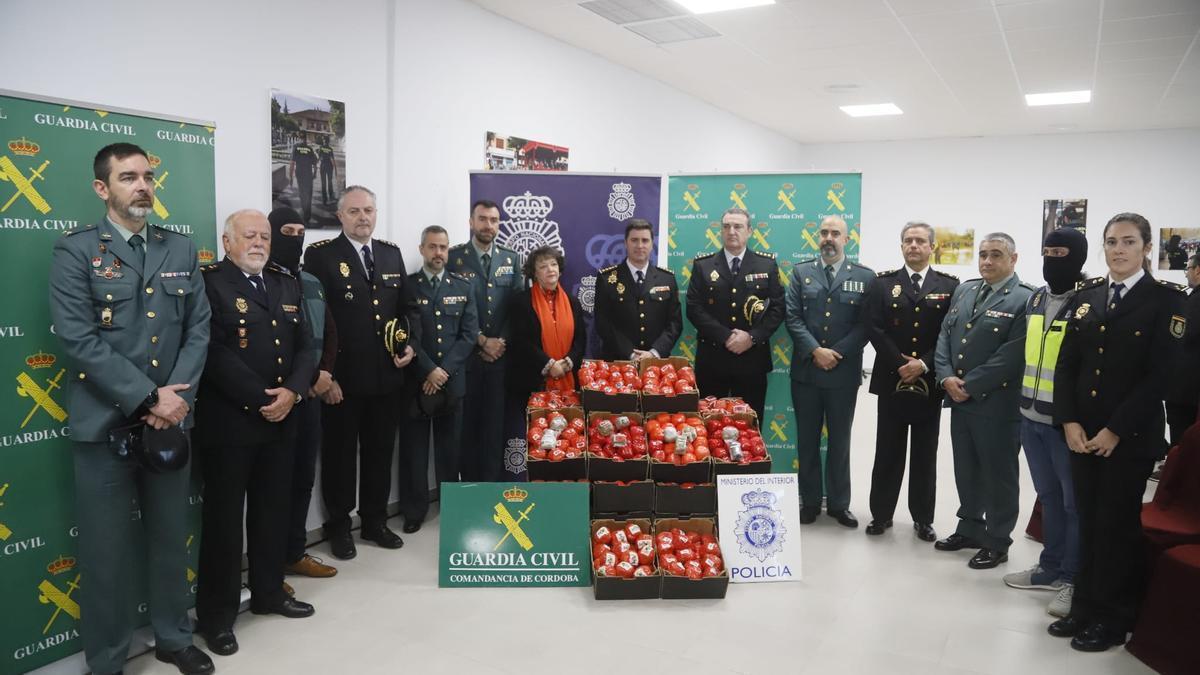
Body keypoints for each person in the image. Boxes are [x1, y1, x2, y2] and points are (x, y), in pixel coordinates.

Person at [49, 143, 214, 675]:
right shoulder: (75, 252)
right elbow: (77, 339)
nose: (141, 186)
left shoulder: (181, 249)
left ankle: (173, 637)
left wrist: (176, 400)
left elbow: (198, 329)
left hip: (168, 423)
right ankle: (107, 659)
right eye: (127, 178)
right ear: (103, 189)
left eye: (146, 176)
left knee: (170, 539)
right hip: (104, 427)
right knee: (105, 554)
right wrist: (149, 397)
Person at [1048, 213, 1187, 652]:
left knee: (1117, 526)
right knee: (1088, 521)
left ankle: (1113, 616)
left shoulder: (1167, 300)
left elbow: (1161, 377)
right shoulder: (1088, 297)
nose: (1118, 250)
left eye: (1129, 242)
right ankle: (1084, 607)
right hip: (1081, 434)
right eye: (1111, 242)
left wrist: (1114, 430)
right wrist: (1068, 420)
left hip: (1128, 439)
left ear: (1147, 248)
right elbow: (1066, 364)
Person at [194, 210, 317, 657]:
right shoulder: (210, 283)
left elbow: (306, 346)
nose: (260, 243)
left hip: (282, 420)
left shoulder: (285, 282)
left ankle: (268, 593)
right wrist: (265, 398)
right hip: (232, 424)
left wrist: (294, 393)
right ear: (227, 242)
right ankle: (217, 617)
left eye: (264, 236)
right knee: (225, 525)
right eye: (250, 236)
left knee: (271, 514)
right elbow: (212, 351)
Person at [302, 186, 418, 559]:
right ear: (340, 216)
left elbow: (407, 308)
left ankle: (374, 521)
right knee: (339, 458)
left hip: (386, 377)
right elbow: (315, 321)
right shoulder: (320, 256)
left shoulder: (390, 253)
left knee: (379, 453)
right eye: (354, 211)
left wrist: (408, 344)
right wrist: (325, 375)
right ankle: (340, 527)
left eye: (368, 210)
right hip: (342, 382)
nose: (363, 217)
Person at [933, 233, 1034, 570]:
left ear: (1013, 259)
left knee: (998, 474)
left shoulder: (1025, 299)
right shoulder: (965, 289)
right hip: (960, 400)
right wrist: (946, 376)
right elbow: (945, 336)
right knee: (967, 469)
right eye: (983, 254)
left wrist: (969, 385)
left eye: (996, 255)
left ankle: (997, 539)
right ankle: (970, 528)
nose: (988, 261)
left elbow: (1013, 355)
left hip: (996, 404)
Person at [1003, 227, 1088, 619]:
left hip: (1064, 422)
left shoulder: (1089, 301)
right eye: (1048, 251)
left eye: (1062, 252)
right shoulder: (1037, 297)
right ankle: (1049, 567)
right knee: (1048, 498)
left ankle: (1072, 577)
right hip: (1030, 415)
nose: (1054, 259)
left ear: (1079, 257)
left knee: (1073, 505)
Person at [862, 221, 959, 541]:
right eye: (908, 241)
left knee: (924, 453)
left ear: (932, 247)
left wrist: (924, 363)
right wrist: (899, 363)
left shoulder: (949, 285)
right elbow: (874, 328)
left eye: (920, 241)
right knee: (887, 451)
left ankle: (923, 518)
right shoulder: (882, 283)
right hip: (892, 380)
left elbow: (949, 332)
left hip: (928, 383)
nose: (914, 246)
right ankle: (881, 515)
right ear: (901, 246)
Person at [785, 215, 874, 527]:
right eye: (824, 232)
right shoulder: (801, 272)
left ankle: (838, 504)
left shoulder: (865, 276)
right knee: (807, 441)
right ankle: (809, 502)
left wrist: (836, 353)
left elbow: (866, 324)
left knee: (840, 441)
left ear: (846, 239)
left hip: (843, 373)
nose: (828, 238)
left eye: (835, 233)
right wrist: (815, 350)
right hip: (807, 373)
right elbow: (793, 317)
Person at [266, 207, 340, 582]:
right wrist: (301, 382)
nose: (294, 238)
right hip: (279, 398)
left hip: (311, 395)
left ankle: (295, 552)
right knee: (275, 484)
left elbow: (328, 331)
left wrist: (324, 373)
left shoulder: (310, 280)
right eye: (286, 231)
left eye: (300, 231)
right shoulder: (262, 280)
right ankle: (269, 565)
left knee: (302, 479)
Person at [400, 226, 478, 533]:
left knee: (450, 450)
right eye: (432, 247)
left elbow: (469, 334)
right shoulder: (408, 286)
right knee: (414, 452)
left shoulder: (463, 286)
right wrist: (428, 369)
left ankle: (452, 506)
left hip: (451, 381)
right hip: (417, 382)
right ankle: (414, 511)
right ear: (421, 249)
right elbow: (404, 334)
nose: (438, 253)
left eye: (443, 247)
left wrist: (442, 371)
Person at [447, 200, 523, 481]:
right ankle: (468, 489)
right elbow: (450, 307)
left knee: (494, 430)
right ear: (471, 222)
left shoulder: (511, 258)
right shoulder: (454, 258)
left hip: (499, 359)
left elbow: (517, 307)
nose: (488, 225)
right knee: (466, 429)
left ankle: (490, 490)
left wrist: (499, 341)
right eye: (482, 219)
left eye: (493, 220)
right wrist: (481, 340)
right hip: (466, 358)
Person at [684, 208, 784, 419]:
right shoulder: (703, 265)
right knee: (708, 428)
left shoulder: (766, 264)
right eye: (726, 226)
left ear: (749, 231)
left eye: (738, 226)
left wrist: (752, 337)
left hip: (752, 361)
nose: (731, 231)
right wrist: (726, 336)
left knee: (750, 430)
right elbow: (693, 308)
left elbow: (777, 309)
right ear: (721, 231)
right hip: (712, 361)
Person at [507, 246, 587, 407]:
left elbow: (581, 339)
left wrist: (567, 363)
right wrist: (549, 365)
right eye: (543, 266)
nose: (550, 269)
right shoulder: (521, 301)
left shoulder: (573, 302)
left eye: (553, 264)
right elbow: (520, 341)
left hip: (569, 377)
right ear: (534, 273)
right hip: (533, 382)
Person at [594, 218, 682, 362]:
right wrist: (630, 353)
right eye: (634, 240)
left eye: (645, 240)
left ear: (652, 244)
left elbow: (675, 323)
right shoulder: (607, 279)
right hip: (619, 362)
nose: (640, 245)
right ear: (625, 243)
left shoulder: (667, 278)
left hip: (656, 363)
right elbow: (603, 323)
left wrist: (654, 352)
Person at [1165, 251, 1200, 445]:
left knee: (1182, 435)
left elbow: (1181, 336)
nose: (1185, 274)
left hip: (1186, 388)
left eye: (1187, 269)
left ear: (1198, 270)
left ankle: (1177, 468)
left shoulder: (1194, 302)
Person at [289, 133, 318, 224]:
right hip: (308, 174)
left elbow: (292, 163)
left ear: (299, 138)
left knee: (302, 193)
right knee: (308, 194)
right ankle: (307, 216)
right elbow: (315, 163)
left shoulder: (296, 147)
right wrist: (315, 173)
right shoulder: (309, 149)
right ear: (305, 138)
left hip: (299, 173)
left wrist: (290, 176)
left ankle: (304, 210)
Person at [315, 135, 337, 206]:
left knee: (323, 183)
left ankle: (325, 200)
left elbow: (319, 158)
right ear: (328, 141)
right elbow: (332, 160)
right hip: (329, 167)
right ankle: (331, 197)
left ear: (324, 140)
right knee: (330, 182)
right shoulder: (330, 149)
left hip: (323, 167)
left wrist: (315, 165)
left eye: (323, 140)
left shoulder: (321, 148)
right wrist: (336, 170)